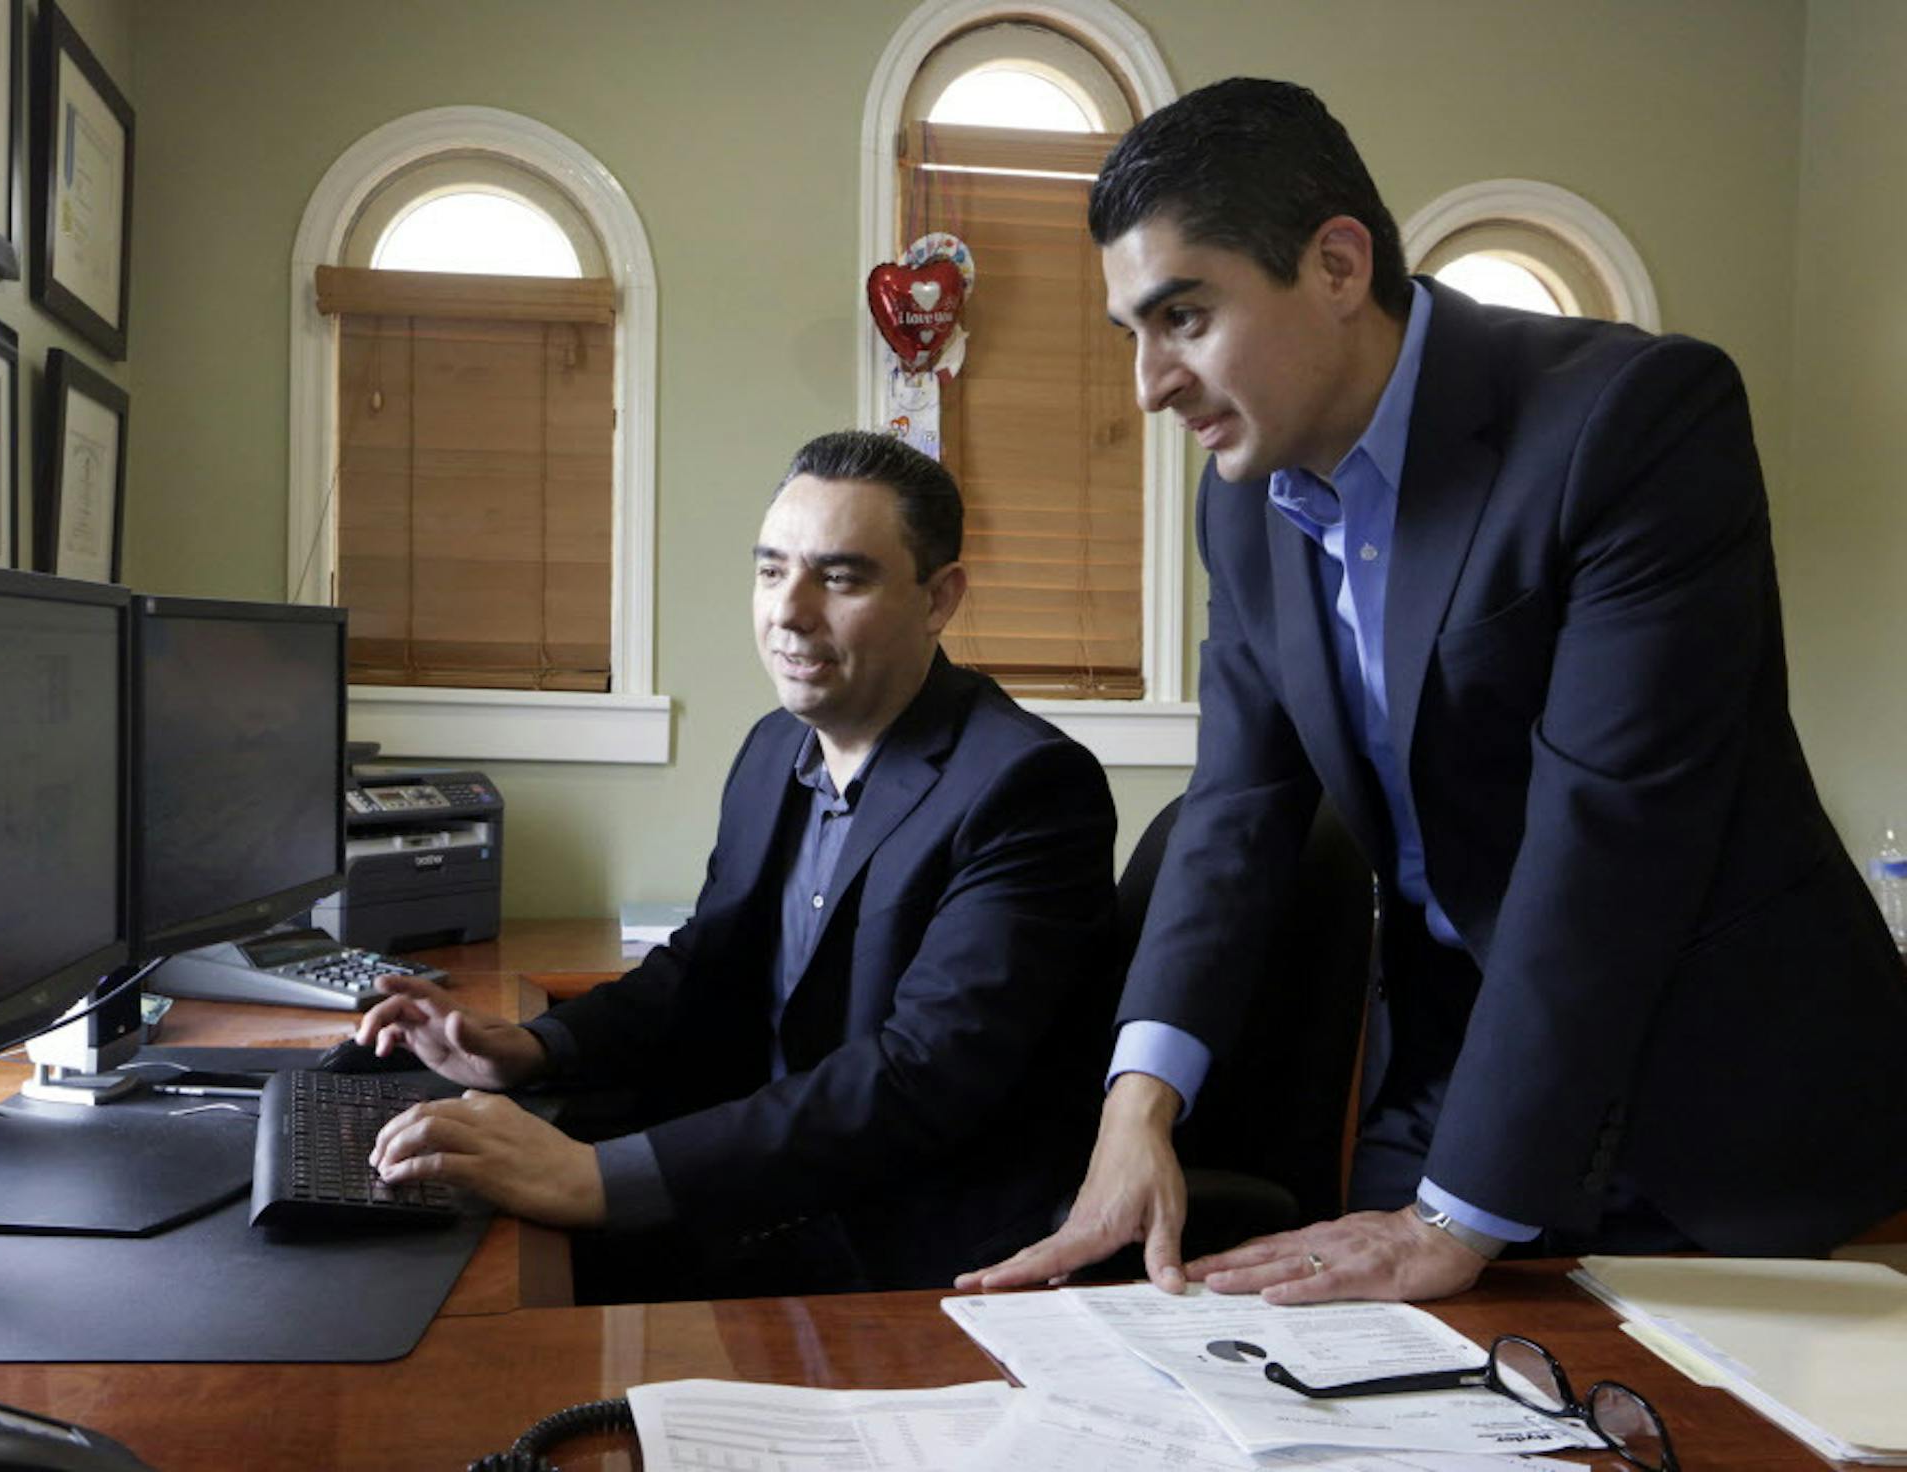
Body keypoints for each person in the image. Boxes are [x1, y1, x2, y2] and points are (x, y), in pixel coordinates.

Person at [963, 78, 1907, 1305]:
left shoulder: (1635, 420)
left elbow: (1605, 841)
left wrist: (1456, 1217)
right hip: (1451, 1080)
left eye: (1184, 317)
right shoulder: (1240, 503)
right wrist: (1136, 1105)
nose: (1147, 383)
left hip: (1707, 1092)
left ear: (1339, 265)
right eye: (1130, 334)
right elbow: (1237, 809)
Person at [361, 429, 1120, 1296]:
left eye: (840, 577)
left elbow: (922, 1077)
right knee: (433, 1244)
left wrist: (594, 1177)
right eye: (770, 571)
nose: (789, 611)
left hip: (910, 1246)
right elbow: (705, 965)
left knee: (487, 1286)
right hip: (771, 1185)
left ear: (938, 597)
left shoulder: (1026, 786)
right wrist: (534, 1048)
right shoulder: (774, 749)